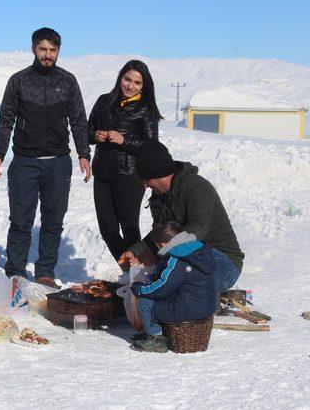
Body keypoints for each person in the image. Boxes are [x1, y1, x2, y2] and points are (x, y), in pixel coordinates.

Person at [0, 27, 91, 288]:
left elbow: (79, 119)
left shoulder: (67, 81)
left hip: (58, 161)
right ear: (34, 49)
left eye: (53, 50)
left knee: (53, 219)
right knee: (21, 219)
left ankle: (45, 270)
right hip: (25, 161)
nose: (48, 55)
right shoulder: (19, 80)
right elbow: (6, 119)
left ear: (58, 51)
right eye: (43, 49)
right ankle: (15, 271)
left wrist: (83, 153)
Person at [120, 142, 244, 293]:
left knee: (178, 284)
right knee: (158, 284)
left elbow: (198, 229)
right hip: (184, 260)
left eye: (146, 179)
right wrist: (136, 252)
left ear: (158, 173)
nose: (145, 185)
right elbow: (161, 235)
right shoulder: (158, 197)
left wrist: (162, 251)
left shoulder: (196, 187)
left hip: (221, 258)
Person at [88, 60, 161, 263]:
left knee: (129, 227)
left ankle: (137, 276)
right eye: (127, 79)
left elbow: (151, 145)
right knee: (107, 228)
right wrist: (96, 135)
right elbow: (85, 132)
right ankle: (130, 271)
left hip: (131, 175)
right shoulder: (103, 101)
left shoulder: (146, 108)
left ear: (144, 86)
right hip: (102, 172)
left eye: (137, 83)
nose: (130, 86)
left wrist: (124, 140)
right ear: (120, 77)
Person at [129, 221, 218, 353]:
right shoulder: (196, 249)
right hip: (206, 306)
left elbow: (162, 288)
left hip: (187, 310)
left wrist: (140, 289)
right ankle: (153, 333)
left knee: (145, 302)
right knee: (157, 298)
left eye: (157, 246)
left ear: (164, 244)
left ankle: (155, 339)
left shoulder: (176, 258)